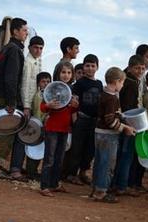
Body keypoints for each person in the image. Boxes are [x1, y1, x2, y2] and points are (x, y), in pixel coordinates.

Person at [0, 17, 28, 179]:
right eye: (24, 30)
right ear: (15, 31)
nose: (26, 33)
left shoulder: (6, 48)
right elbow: (11, 78)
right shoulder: (14, 50)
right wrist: (12, 102)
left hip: (0, 96)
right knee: (5, 132)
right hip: (7, 99)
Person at [91, 67, 135, 203]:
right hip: (108, 135)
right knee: (107, 164)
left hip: (99, 133)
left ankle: (96, 188)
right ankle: (101, 191)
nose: (122, 86)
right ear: (117, 82)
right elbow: (110, 121)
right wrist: (125, 128)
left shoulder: (104, 94)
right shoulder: (111, 98)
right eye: (122, 83)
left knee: (99, 162)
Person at [39, 61, 79, 197]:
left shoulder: (71, 90)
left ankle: (54, 184)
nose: (66, 75)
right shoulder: (52, 88)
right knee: (49, 158)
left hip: (64, 129)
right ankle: (44, 186)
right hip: (52, 128)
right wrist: (49, 105)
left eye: (69, 72)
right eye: (63, 72)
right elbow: (42, 107)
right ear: (57, 73)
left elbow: (72, 109)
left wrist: (75, 105)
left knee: (59, 158)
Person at [63, 54, 103, 185]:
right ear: (83, 67)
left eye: (93, 66)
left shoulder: (99, 84)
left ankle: (84, 172)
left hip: (94, 121)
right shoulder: (79, 83)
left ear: (97, 67)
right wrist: (75, 119)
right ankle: (71, 174)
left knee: (90, 149)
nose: (90, 68)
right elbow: (74, 100)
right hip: (81, 119)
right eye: (87, 65)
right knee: (77, 148)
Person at [9, 36, 45, 179]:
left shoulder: (37, 62)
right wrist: (26, 106)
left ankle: (21, 167)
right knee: (22, 137)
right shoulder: (28, 62)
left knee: (29, 135)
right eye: (36, 47)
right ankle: (15, 168)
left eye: (41, 48)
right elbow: (25, 86)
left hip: (34, 104)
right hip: (26, 105)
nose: (38, 50)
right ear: (30, 47)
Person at [112, 55, 144, 196]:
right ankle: (121, 186)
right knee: (126, 156)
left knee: (121, 155)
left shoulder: (126, 80)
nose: (140, 71)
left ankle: (116, 184)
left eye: (142, 68)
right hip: (128, 124)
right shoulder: (130, 83)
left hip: (122, 122)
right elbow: (129, 108)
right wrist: (130, 126)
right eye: (137, 68)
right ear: (130, 67)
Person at [26, 71, 51, 180]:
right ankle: (30, 172)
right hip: (36, 126)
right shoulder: (38, 95)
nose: (45, 84)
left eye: (48, 81)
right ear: (38, 83)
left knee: (40, 149)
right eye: (43, 81)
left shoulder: (48, 95)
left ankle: (33, 171)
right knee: (34, 150)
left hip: (44, 126)